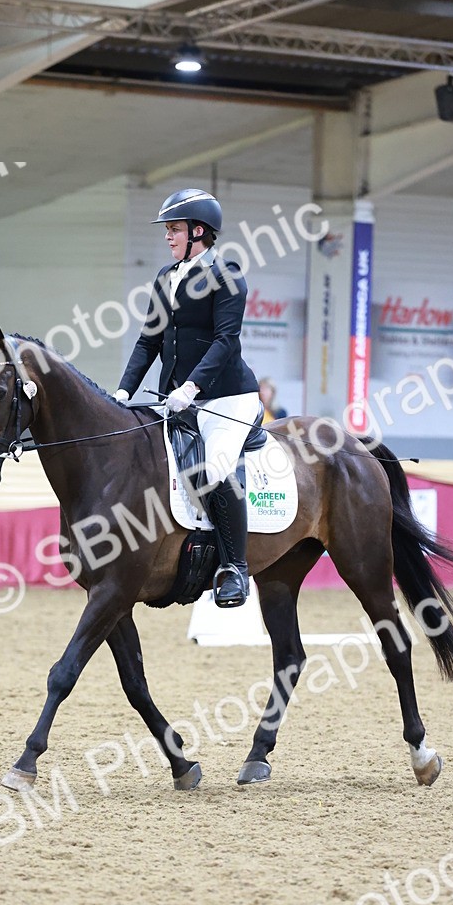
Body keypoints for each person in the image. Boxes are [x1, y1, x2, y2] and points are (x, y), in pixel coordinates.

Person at [114, 188, 260, 608]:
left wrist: (191, 387)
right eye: (168, 230)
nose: (168, 236)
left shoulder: (226, 274)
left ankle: (235, 569)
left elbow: (225, 340)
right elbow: (148, 341)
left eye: (175, 229)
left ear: (199, 231)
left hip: (226, 398)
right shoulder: (166, 277)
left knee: (214, 468)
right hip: (177, 399)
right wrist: (122, 392)